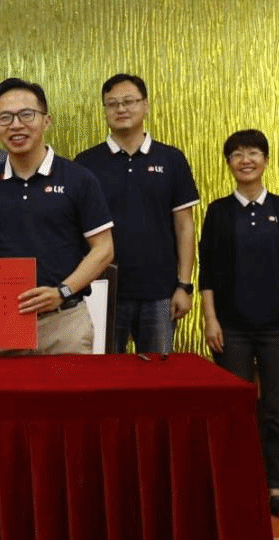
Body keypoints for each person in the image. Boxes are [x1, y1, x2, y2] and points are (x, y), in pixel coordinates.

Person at [0, 78, 114, 355]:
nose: (16, 125)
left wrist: (62, 291)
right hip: (3, 319)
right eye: (5, 118)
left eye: (26, 115)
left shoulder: (78, 178)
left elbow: (103, 249)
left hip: (64, 321)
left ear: (46, 121)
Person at [199, 129, 279, 518]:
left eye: (253, 153)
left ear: (265, 159)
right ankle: (238, 484)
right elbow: (208, 271)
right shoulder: (218, 211)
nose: (245, 160)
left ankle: (275, 485)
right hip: (232, 329)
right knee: (236, 411)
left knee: (276, 409)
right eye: (237, 155)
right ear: (228, 163)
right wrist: (210, 319)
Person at [75, 73, 198, 355]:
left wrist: (185, 285)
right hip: (102, 290)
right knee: (105, 374)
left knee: (158, 374)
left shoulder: (171, 159)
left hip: (161, 291)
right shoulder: (86, 163)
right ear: (105, 110)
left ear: (145, 105)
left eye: (129, 101)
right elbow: (76, 228)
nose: (121, 109)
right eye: (112, 104)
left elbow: (184, 226)